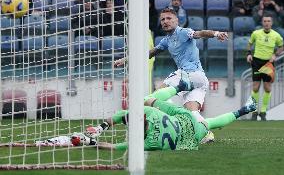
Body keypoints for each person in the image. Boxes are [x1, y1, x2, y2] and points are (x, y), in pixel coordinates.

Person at [115, 8, 228, 142]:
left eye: (169, 18)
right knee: (192, 113)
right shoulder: (167, 40)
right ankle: (207, 134)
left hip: (189, 74)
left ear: (176, 20)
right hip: (200, 80)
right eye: (162, 19)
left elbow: (200, 33)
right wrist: (125, 60)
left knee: (155, 96)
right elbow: (150, 53)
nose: (165, 22)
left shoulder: (184, 32)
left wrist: (216, 33)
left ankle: (153, 127)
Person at [78, 75, 256, 150]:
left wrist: (93, 141)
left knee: (211, 124)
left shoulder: (148, 144)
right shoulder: (151, 113)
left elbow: (111, 147)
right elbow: (148, 105)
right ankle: (180, 87)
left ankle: (243, 110)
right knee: (147, 98)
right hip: (185, 120)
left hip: (190, 137)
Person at [246, 15, 283, 121]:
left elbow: (281, 46)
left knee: (267, 87)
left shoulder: (276, 35)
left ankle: (263, 111)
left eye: (269, 21)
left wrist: (275, 54)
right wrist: (248, 54)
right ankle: (254, 112)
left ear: (271, 23)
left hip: (268, 63)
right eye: (265, 21)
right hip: (257, 62)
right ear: (262, 23)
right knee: (255, 87)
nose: (267, 23)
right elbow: (249, 44)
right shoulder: (256, 33)